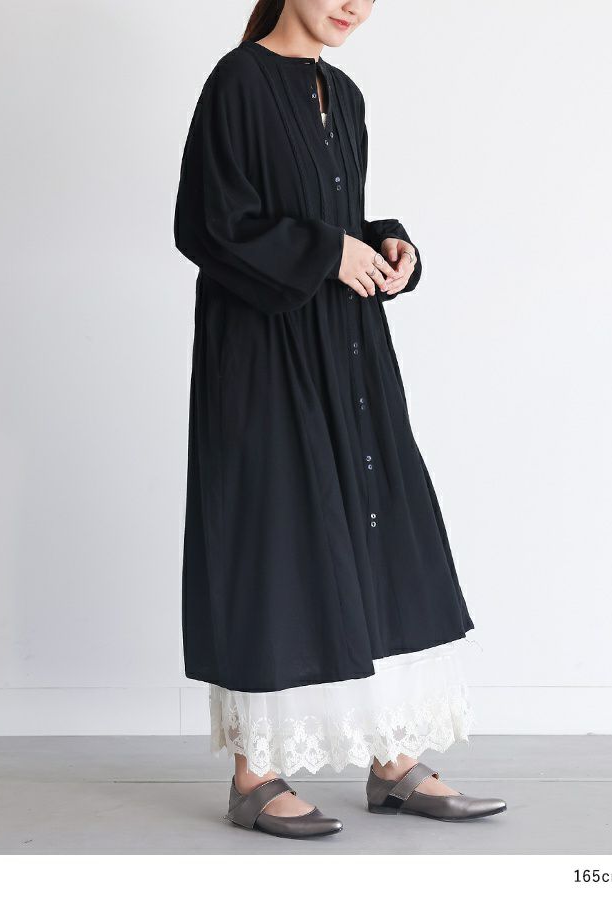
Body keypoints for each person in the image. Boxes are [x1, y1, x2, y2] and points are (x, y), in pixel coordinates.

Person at [173, 0, 507, 839]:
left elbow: (333, 215)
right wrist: (329, 252)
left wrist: (387, 247)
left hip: (347, 350)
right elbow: (209, 224)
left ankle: (392, 759)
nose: (355, 5)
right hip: (264, 353)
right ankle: (255, 775)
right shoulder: (238, 81)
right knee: (273, 537)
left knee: (380, 530)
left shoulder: (344, 94)